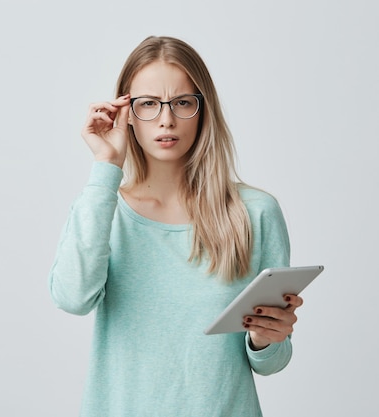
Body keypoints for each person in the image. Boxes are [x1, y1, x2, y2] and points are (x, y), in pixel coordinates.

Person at [48, 36, 303, 416]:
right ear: (126, 112)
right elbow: (72, 298)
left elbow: (271, 362)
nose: (166, 119)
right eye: (148, 103)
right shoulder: (104, 208)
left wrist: (266, 339)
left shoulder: (255, 212)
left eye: (182, 102)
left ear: (203, 110)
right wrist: (106, 168)